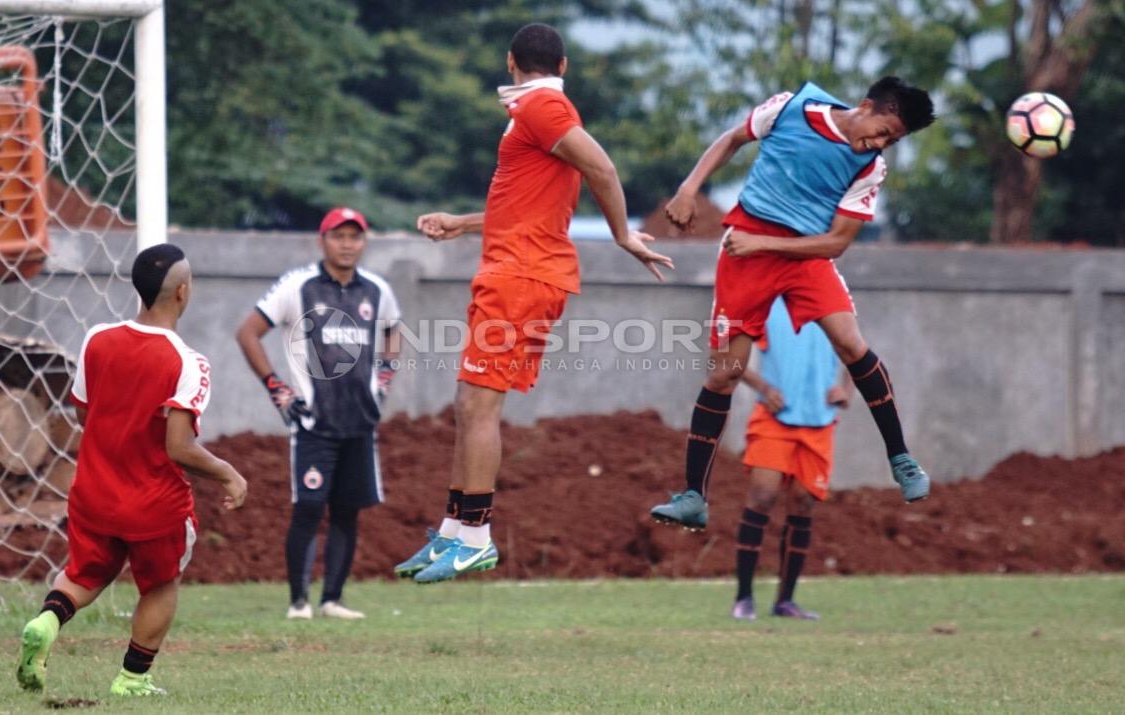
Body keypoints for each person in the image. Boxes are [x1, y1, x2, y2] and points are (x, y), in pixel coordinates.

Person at [398, 22, 674, 584]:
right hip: (510, 270)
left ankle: (475, 537)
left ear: (509, 61)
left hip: (521, 278)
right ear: (565, 64)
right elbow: (528, 207)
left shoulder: (543, 108)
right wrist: (464, 222)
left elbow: (603, 168)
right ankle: (454, 530)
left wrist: (621, 235)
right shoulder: (532, 112)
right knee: (467, 403)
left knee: (479, 409)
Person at [650, 77, 935, 531]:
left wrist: (762, 245)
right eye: (883, 131)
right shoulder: (791, 108)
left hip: (799, 253)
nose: (880, 144)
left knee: (850, 343)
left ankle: (901, 459)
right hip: (748, 249)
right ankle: (692, 497)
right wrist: (687, 190)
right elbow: (731, 140)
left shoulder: (870, 167)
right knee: (726, 373)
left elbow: (836, 243)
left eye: (892, 141)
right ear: (866, 106)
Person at [15, 244, 248, 697]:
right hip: (153, 502)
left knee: (85, 574)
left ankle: (46, 621)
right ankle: (133, 679)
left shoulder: (96, 339)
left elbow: (84, 415)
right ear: (183, 291)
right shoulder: (188, 361)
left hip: (94, 491)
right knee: (160, 584)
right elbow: (178, 447)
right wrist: (227, 472)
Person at [236, 207, 401, 620]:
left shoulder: (377, 289)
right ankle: (298, 602)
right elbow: (248, 332)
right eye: (338, 236)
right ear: (322, 240)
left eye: (355, 237)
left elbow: (394, 329)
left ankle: (332, 600)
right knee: (309, 508)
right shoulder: (298, 286)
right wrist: (278, 389)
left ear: (364, 242)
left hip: (360, 422)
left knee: (348, 511)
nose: (347, 244)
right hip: (313, 423)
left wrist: (384, 378)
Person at [731, 297, 850, 621]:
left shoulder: (833, 299)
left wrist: (845, 389)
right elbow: (729, 358)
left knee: (803, 504)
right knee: (763, 497)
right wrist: (763, 387)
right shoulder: (763, 301)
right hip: (775, 417)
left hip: (820, 420)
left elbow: (853, 350)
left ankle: (785, 601)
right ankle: (743, 598)